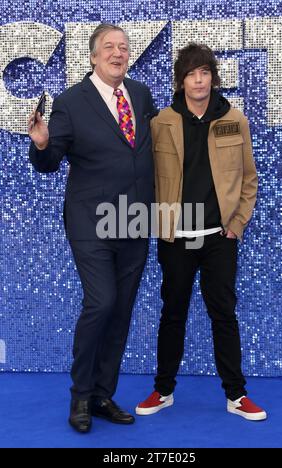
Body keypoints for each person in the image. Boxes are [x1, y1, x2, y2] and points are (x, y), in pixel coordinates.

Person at [28, 23, 156, 433]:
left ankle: (103, 394)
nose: (118, 53)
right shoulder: (70, 102)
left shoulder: (140, 94)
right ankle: (81, 396)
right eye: (109, 48)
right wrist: (43, 143)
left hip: (136, 218)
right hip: (90, 220)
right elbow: (48, 165)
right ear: (93, 56)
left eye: (123, 47)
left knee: (121, 311)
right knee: (101, 302)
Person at [136, 43, 267, 421]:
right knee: (172, 313)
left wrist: (237, 225)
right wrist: (159, 225)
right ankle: (163, 390)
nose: (199, 79)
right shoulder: (161, 121)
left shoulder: (233, 119)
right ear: (181, 80)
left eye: (205, 72)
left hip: (218, 238)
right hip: (177, 237)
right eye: (192, 73)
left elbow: (248, 178)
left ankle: (237, 395)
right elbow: (147, 179)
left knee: (223, 314)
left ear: (213, 77)